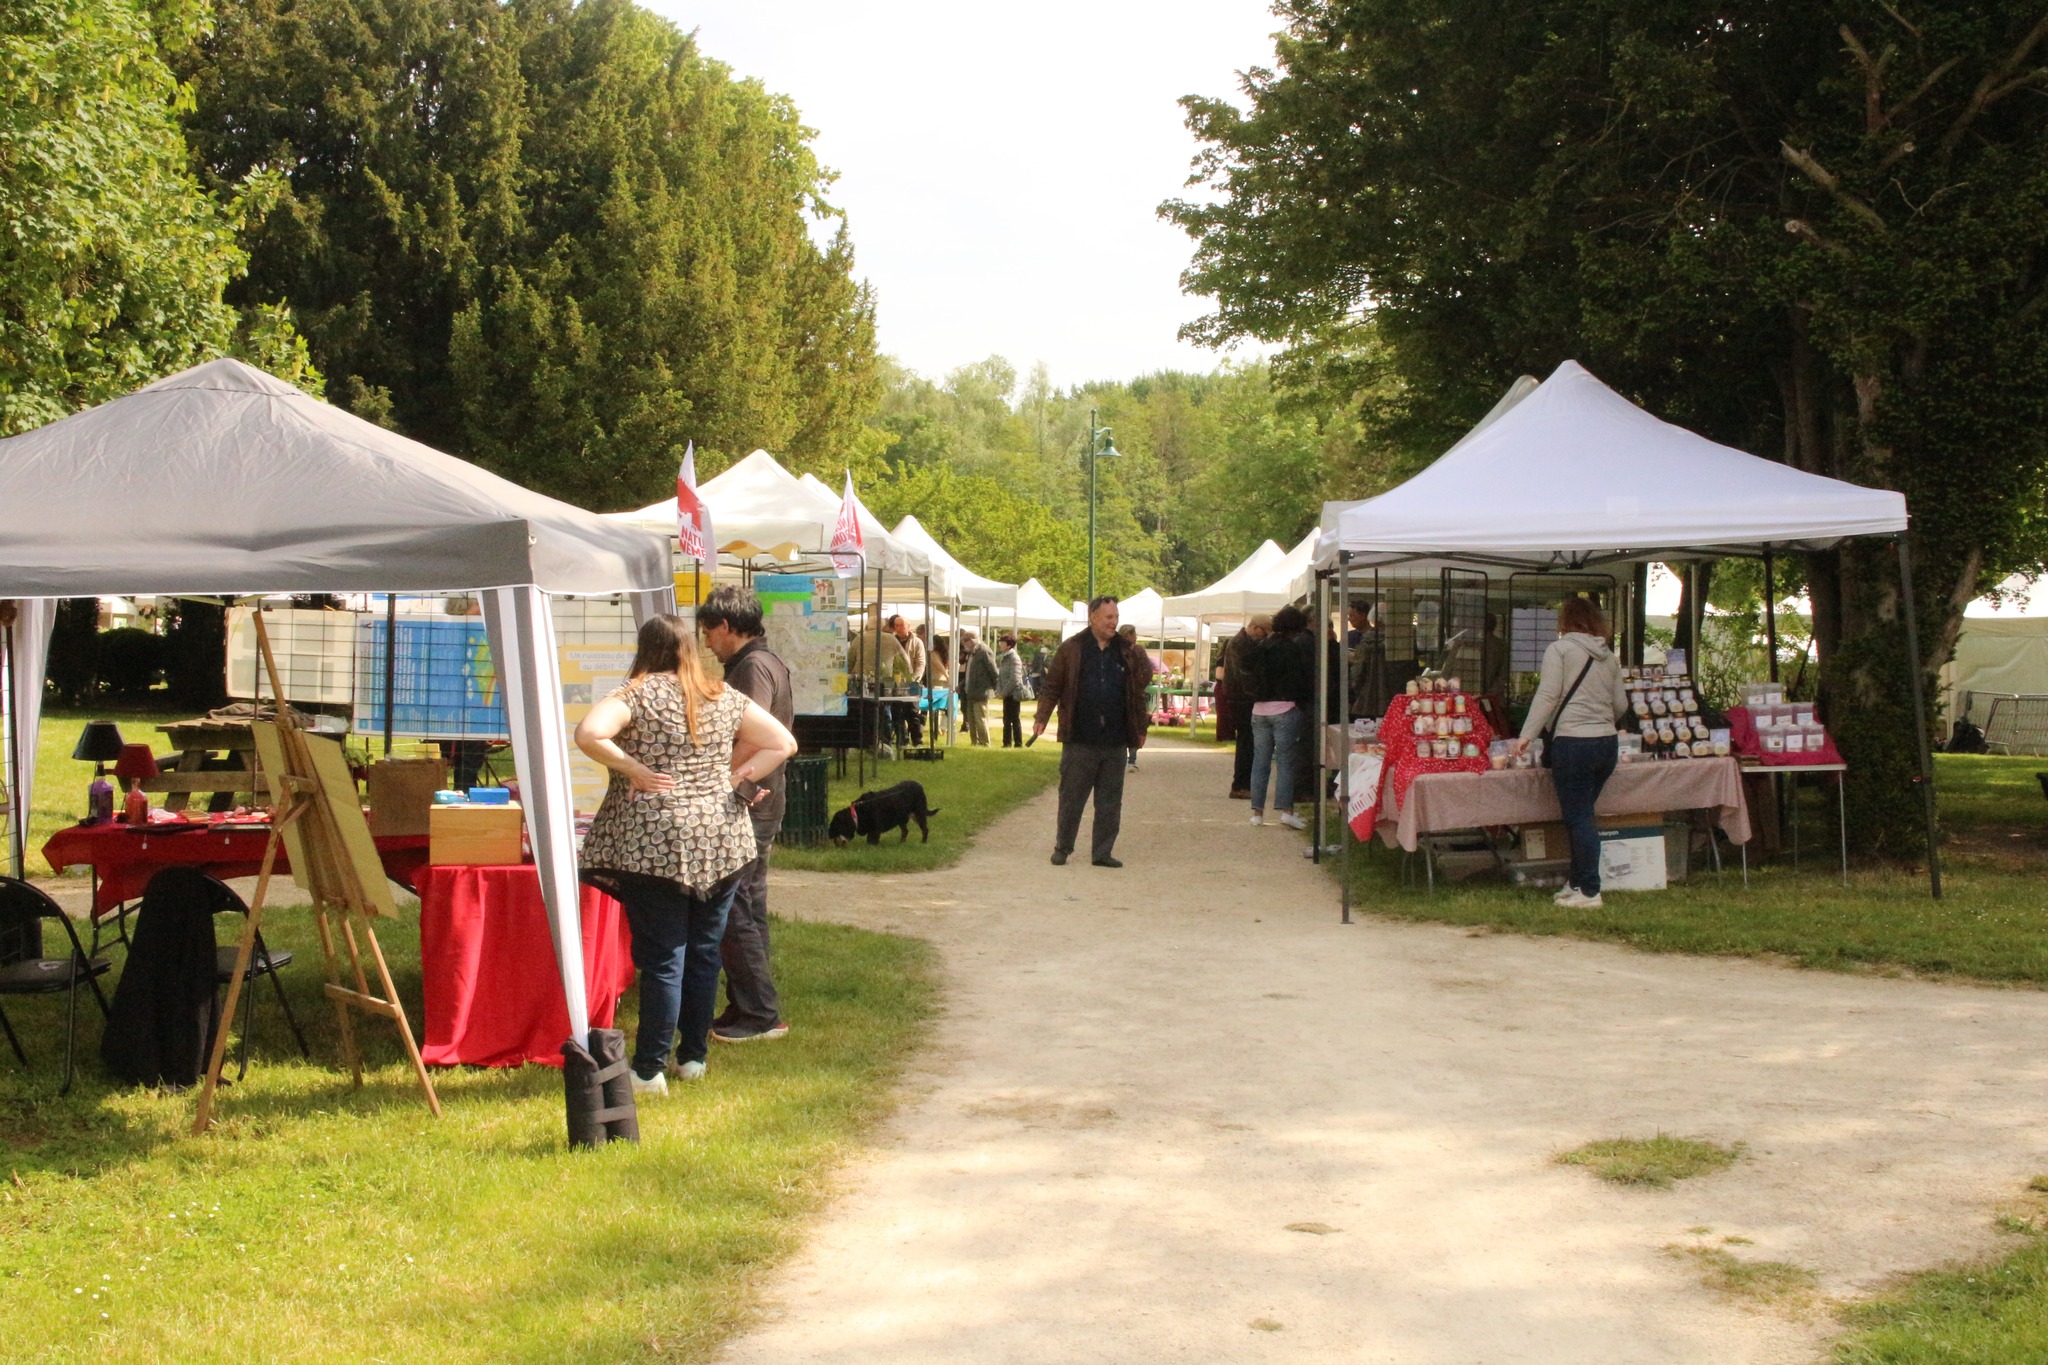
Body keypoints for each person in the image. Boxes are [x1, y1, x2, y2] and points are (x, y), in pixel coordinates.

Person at [574, 614, 797, 1094]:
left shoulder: (634, 694)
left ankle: (649, 1069)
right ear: (690, 649)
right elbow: (783, 742)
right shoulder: (721, 693)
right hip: (721, 836)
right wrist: (739, 778)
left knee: (662, 957)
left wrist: (632, 767)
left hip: (654, 844)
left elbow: (590, 734)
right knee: (702, 951)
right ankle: (692, 1058)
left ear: (645, 648)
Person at [697, 586, 795, 1045]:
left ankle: (759, 1013)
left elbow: (754, 736)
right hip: (759, 798)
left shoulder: (753, 667)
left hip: (748, 800)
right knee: (748, 907)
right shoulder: (761, 662)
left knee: (735, 907)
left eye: (708, 631)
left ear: (726, 626)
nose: (706, 642)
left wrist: (717, 777)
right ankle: (750, 1005)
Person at [1512, 597, 1630, 909]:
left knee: (1578, 817)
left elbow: (1548, 694)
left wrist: (1527, 735)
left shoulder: (1559, 650)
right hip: (1606, 743)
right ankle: (1576, 882)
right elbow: (1621, 705)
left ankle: (1590, 890)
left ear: (1565, 622)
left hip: (1573, 742)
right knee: (1582, 815)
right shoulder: (1609, 657)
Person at [1033, 596, 1151, 867]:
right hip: (1080, 738)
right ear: (1093, 617)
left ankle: (1102, 852)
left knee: (1110, 801)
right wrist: (1042, 717)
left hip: (1115, 738)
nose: (1114, 623)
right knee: (1072, 797)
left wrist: (1140, 728)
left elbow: (1137, 691)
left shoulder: (1126, 650)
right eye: (1109, 617)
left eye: (1116, 617)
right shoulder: (1072, 648)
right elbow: (1052, 686)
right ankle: (1063, 846)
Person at [1247, 605, 1315, 830]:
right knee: (1286, 762)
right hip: (1284, 708)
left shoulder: (1260, 647)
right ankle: (1286, 810)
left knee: (1260, 762)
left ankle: (1257, 812)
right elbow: (1301, 680)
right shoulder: (1292, 649)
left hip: (1259, 710)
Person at [1221, 616, 1270, 798]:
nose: (1264, 637)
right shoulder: (1239, 643)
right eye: (1264, 632)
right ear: (1256, 628)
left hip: (1240, 697)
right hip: (1240, 699)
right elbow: (1244, 674)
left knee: (1247, 741)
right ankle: (1240, 784)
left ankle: (1243, 783)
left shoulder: (1242, 642)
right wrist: (1258, 693)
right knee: (1246, 742)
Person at [958, 628, 998, 746]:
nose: (964, 646)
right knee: (971, 719)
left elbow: (993, 671)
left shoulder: (984, 651)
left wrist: (998, 689)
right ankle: (974, 743)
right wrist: (961, 685)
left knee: (980, 719)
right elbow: (970, 673)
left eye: (964, 642)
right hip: (970, 691)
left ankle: (985, 743)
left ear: (971, 640)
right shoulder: (971, 653)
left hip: (981, 691)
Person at [1116, 623, 1147, 769]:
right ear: (1128, 635)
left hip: (1119, 693)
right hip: (1134, 694)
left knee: (1121, 723)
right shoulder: (1138, 650)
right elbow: (1147, 671)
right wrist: (1139, 685)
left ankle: (1121, 758)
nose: (1136, 637)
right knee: (1135, 724)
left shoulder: (1114, 649)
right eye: (1134, 634)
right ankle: (1132, 760)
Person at [995, 631, 1028, 747]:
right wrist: (999, 690)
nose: (1000, 644)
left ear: (1009, 645)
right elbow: (1000, 676)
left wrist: (1004, 693)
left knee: (1014, 719)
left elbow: (1015, 679)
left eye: (1002, 643)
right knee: (1006, 719)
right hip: (1006, 693)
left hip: (1014, 694)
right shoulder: (1003, 658)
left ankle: (1018, 743)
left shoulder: (1014, 658)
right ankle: (1006, 743)